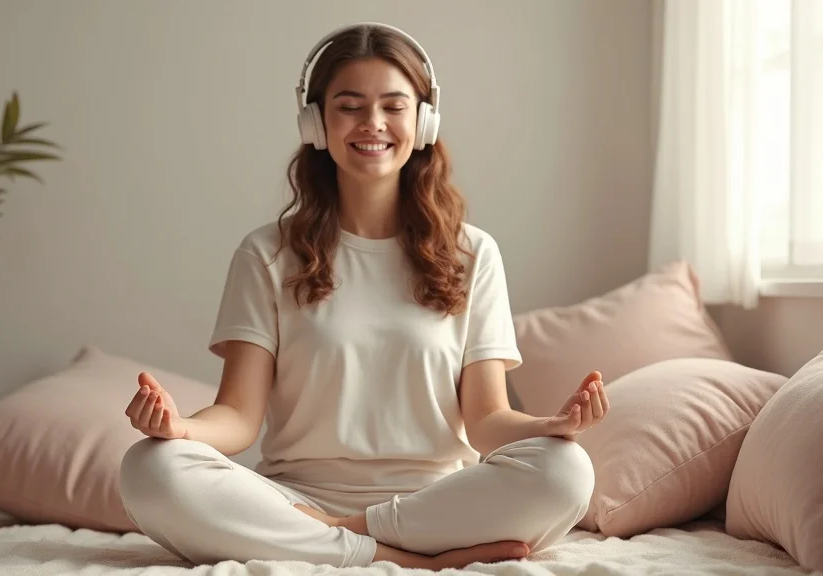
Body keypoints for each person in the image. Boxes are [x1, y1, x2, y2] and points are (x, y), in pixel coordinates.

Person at [119, 22, 609, 571]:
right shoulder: (266, 255)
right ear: (316, 122)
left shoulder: (473, 253)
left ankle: (343, 539)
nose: (372, 124)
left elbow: (486, 419)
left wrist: (550, 428)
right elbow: (238, 415)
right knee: (148, 468)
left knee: (567, 470)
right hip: (297, 500)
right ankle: (412, 560)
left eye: (393, 106)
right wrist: (179, 430)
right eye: (349, 106)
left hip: (434, 503)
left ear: (423, 121)